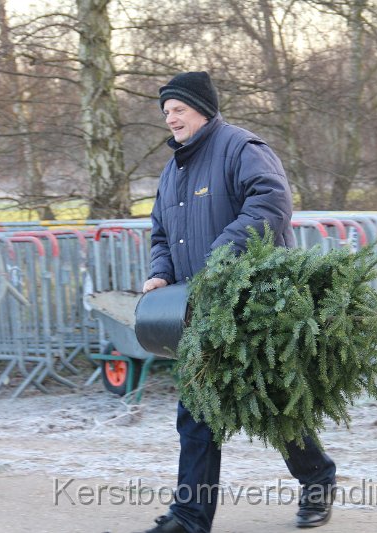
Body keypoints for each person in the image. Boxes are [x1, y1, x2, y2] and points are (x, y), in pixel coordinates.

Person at [141, 72, 337, 533]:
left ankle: (318, 479)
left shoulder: (241, 148)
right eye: (165, 111)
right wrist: (160, 272)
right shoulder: (174, 170)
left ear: (202, 109)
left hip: (252, 304)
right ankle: (189, 518)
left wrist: (218, 261)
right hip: (197, 312)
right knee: (196, 416)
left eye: (178, 109)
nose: (170, 117)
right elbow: (162, 233)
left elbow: (271, 203)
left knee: (275, 403)